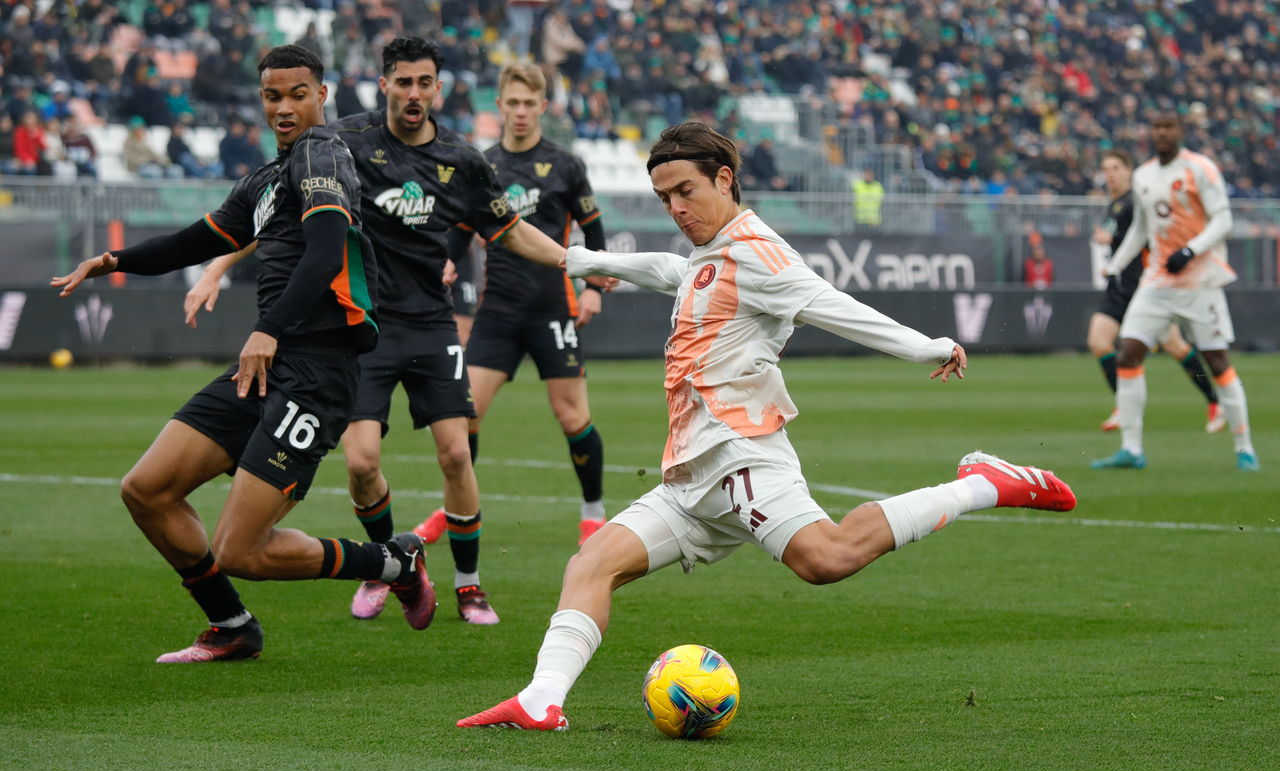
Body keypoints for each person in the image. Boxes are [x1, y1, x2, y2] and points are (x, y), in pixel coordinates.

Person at [457, 122, 1077, 731]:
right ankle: (541, 700)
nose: (675, 209)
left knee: (826, 558)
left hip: (742, 453)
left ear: (724, 179)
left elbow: (834, 306)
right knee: (590, 564)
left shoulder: (760, 254)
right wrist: (584, 259)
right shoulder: (710, 253)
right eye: (663, 198)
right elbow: (671, 270)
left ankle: (984, 484)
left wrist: (926, 346)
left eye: (685, 192)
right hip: (691, 474)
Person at [189, 38, 602, 626]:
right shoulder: (341, 144)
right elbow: (279, 213)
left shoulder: (463, 159)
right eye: (403, 82)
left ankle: (469, 585)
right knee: (360, 464)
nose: (414, 93)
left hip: (433, 323)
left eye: (424, 83)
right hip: (365, 330)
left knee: (458, 453)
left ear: (439, 87)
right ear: (383, 85)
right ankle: (389, 564)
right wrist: (217, 264)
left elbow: (508, 230)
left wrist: (573, 261)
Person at [52, 45, 435, 664]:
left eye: (297, 94)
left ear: (322, 94)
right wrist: (115, 262)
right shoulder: (264, 179)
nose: (284, 108)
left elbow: (324, 249)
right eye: (272, 96)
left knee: (241, 550)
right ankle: (232, 625)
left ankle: (392, 560)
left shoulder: (323, 152)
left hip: (315, 371)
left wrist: (270, 329)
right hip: (268, 364)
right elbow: (197, 239)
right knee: (146, 490)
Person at [461, 63, 611, 548]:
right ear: (499, 106)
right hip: (498, 312)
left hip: (552, 308)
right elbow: (459, 229)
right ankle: (460, 508)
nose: (521, 112)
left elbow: (594, 229)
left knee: (572, 417)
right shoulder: (482, 166)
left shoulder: (565, 165)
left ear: (543, 106)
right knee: (465, 418)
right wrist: (444, 264)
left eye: (530, 103)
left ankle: (593, 508)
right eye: (513, 103)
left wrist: (591, 288)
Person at [1092, 110, 1258, 472]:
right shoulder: (1145, 176)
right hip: (1157, 282)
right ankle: (1132, 450)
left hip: (1200, 282)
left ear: (1181, 132)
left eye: (1169, 127)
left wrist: (1191, 251)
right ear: (1150, 133)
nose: (1162, 133)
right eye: (1156, 127)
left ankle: (1244, 447)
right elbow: (1140, 227)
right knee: (1128, 354)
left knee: (1218, 363)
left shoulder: (1200, 168)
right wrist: (1117, 264)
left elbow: (1224, 219)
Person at [1086, 149, 1223, 434]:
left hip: (1144, 288)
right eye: (1106, 168)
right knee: (1098, 340)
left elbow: (1148, 235)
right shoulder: (1114, 205)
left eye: (1115, 168)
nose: (1110, 174)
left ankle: (1214, 400)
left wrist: (1112, 241)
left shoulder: (1136, 201)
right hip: (1119, 287)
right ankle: (1124, 407)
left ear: (1128, 171)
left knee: (1176, 346)